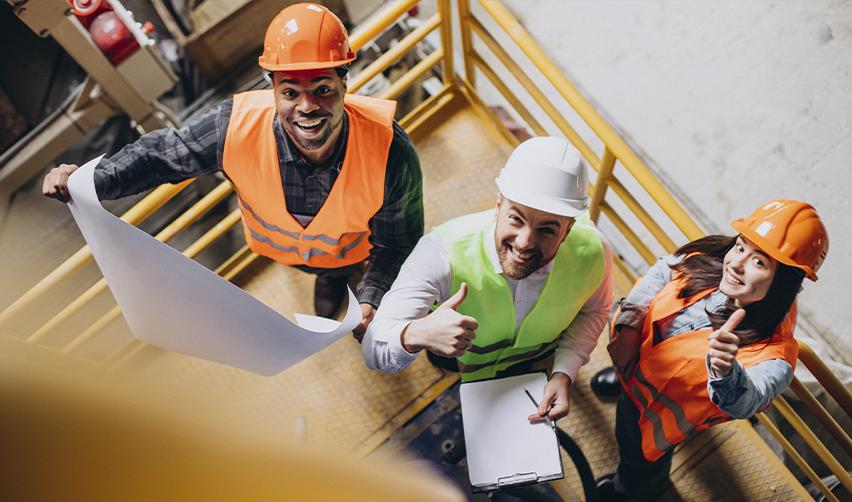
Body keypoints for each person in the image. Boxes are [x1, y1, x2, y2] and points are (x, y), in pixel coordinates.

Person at [41, 3, 424, 338]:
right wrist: (92, 179)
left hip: (347, 252)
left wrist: (372, 298)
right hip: (286, 252)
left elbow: (395, 244)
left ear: (344, 82)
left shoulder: (390, 152)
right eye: (290, 92)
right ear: (271, 86)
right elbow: (162, 155)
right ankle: (327, 284)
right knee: (321, 279)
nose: (307, 106)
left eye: (322, 89)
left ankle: (337, 282)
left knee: (342, 275)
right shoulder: (233, 127)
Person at [362, 136, 614, 423]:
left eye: (547, 230)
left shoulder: (595, 252)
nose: (524, 243)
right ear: (498, 205)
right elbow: (374, 346)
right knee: (443, 359)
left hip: (537, 357)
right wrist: (419, 334)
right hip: (457, 356)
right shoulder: (441, 252)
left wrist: (564, 372)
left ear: (568, 230)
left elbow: (595, 311)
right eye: (516, 219)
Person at [592, 200, 829, 501]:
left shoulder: (776, 356)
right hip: (635, 365)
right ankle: (627, 383)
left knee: (639, 453)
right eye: (741, 247)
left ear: (784, 282)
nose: (737, 264)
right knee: (629, 402)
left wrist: (726, 371)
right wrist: (630, 326)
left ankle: (633, 490)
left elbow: (748, 401)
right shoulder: (710, 259)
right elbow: (664, 270)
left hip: (656, 414)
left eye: (759, 262)